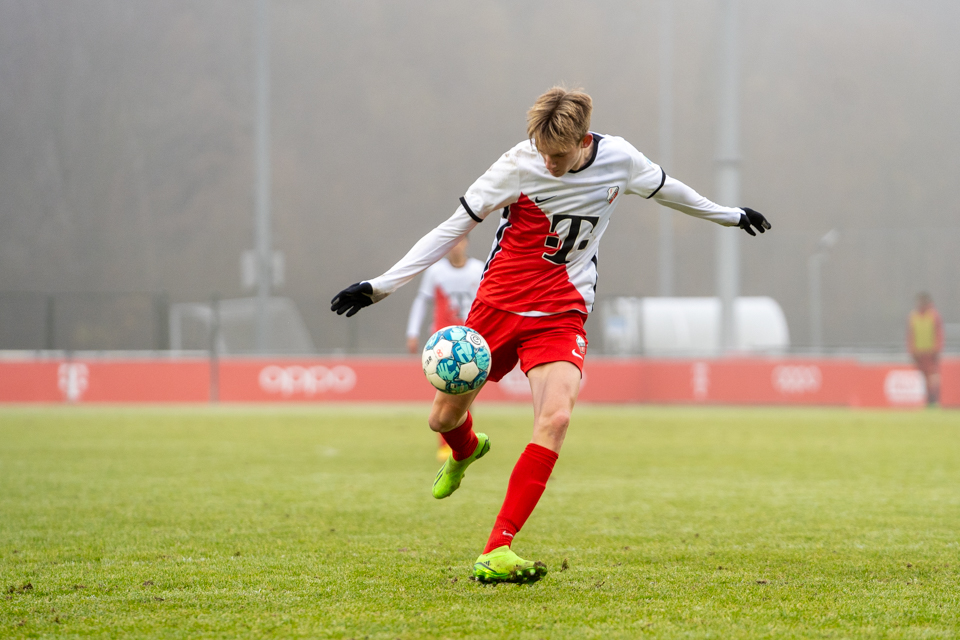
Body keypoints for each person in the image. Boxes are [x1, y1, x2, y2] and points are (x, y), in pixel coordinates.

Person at [331, 86, 771, 584]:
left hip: (562, 310)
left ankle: (497, 548)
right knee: (442, 418)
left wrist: (731, 215)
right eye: (542, 152)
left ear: (583, 141)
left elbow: (672, 191)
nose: (548, 163)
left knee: (556, 418)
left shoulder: (620, 160)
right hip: (498, 305)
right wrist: (381, 286)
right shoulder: (516, 164)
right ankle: (466, 449)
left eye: (557, 156)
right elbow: (451, 227)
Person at [405, 235, 484, 460]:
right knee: (447, 390)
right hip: (442, 342)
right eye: (452, 241)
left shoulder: (479, 269)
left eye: (460, 241)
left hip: (470, 341)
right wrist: (412, 332)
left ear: (467, 242)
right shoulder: (436, 271)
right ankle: (447, 444)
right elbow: (422, 300)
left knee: (466, 393)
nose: (456, 246)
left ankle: (463, 441)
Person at [907, 292, 943, 406]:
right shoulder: (913, 316)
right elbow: (910, 335)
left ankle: (934, 399)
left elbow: (939, 334)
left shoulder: (933, 315)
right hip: (919, 353)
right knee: (924, 379)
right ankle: (928, 400)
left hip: (931, 353)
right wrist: (912, 350)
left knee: (932, 377)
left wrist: (937, 349)